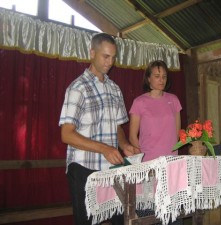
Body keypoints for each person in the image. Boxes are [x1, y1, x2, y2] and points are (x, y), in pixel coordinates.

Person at [59, 33, 139, 225]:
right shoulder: (78, 88)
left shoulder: (114, 88)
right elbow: (66, 134)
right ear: (92, 53)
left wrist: (125, 144)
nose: (110, 62)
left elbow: (117, 126)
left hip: (111, 168)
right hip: (83, 168)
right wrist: (104, 148)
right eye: (105, 56)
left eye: (113, 57)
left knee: (122, 219)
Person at [129, 60, 182, 162]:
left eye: (164, 76)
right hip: (148, 160)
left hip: (171, 158)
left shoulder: (174, 100)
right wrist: (142, 155)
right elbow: (132, 136)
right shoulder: (139, 102)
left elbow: (177, 133)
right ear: (148, 78)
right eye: (157, 76)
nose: (161, 80)